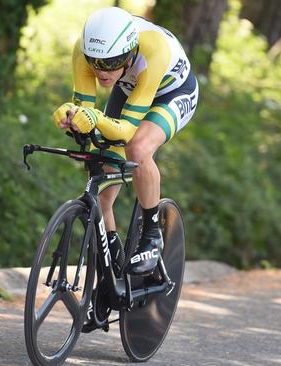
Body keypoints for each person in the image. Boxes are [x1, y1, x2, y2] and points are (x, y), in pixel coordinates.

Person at [52, 7, 198, 276]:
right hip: (128, 87)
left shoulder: (153, 49)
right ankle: (111, 264)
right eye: (94, 62)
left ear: (130, 54)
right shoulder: (87, 53)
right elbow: (86, 114)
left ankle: (152, 234)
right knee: (103, 174)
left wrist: (95, 118)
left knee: (138, 148)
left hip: (172, 92)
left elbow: (126, 131)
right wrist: (71, 116)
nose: (101, 71)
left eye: (110, 63)